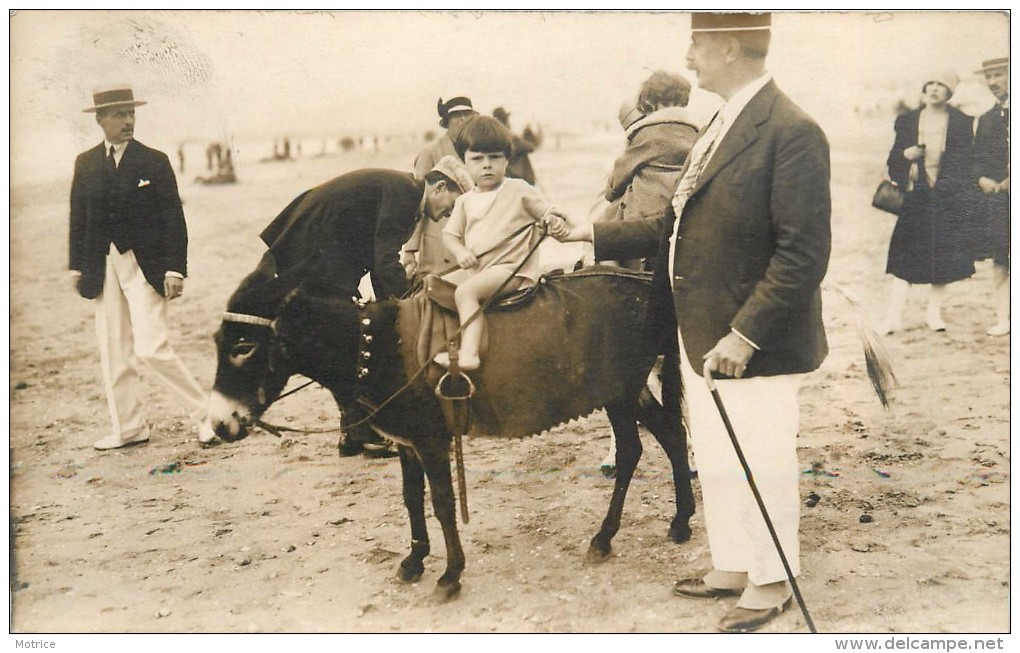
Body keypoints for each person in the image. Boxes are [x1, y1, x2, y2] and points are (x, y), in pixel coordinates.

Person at [549, 13, 831, 632]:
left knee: (761, 456)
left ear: (728, 46)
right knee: (720, 452)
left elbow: (803, 254)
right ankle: (734, 563)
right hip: (699, 329)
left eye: (697, 44)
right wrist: (590, 233)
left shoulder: (791, 130)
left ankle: (774, 578)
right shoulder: (717, 124)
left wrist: (746, 332)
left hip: (751, 340)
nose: (689, 56)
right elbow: (672, 225)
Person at [257, 157, 471, 457]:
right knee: (352, 341)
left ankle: (356, 435)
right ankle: (364, 435)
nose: (447, 215)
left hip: (318, 254)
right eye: (452, 205)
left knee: (349, 339)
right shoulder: (406, 194)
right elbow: (384, 261)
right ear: (439, 187)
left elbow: (377, 260)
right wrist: (408, 302)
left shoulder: (403, 190)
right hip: (310, 254)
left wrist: (394, 303)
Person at [69, 86, 209, 451]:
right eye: (118, 114)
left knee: (152, 348)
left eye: (131, 113)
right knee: (114, 350)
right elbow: (78, 217)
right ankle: (129, 428)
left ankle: (207, 415)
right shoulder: (85, 163)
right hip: (103, 264)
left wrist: (176, 269)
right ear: (100, 120)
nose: (128, 120)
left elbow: (173, 219)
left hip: (147, 265)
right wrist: (77, 267)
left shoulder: (154, 161)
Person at [432, 116, 555, 372]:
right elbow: (450, 235)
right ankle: (444, 343)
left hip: (511, 269)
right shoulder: (466, 200)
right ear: (464, 162)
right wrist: (461, 251)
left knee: (465, 293)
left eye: (495, 157)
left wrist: (556, 223)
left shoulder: (518, 189)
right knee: (434, 285)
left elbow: (549, 214)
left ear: (507, 160)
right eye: (477, 159)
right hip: (481, 269)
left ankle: (469, 355)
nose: (486, 166)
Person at [878, 70, 975, 335]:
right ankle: (893, 317)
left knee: (942, 255)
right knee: (903, 257)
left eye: (941, 85)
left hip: (946, 197)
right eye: (930, 84)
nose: (934, 89)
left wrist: (953, 189)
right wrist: (905, 155)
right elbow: (893, 161)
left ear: (950, 92)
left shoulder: (962, 122)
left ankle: (934, 314)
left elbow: (966, 163)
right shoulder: (907, 120)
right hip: (916, 196)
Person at [598, 70, 700, 270]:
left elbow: (614, 186)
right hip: (682, 216)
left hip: (645, 223)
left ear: (651, 102)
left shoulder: (646, 132)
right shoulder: (696, 131)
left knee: (603, 231)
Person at [401, 96, 479, 280]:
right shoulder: (430, 152)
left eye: (467, 115)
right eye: (456, 116)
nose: (462, 120)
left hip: (468, 235)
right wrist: (410, 250)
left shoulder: (476, 153)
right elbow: (417, 199)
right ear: (447, 122)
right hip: (438, 237)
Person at [972, 57, 1010, 336]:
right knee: (1001, 258)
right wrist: (981, 177)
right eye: (989, 76)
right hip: (999, 200)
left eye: (1000, 74)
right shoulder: (986, 118)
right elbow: (976, 158)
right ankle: (1004, 318)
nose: (994, 82)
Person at [493, 106, 539, 185]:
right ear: (505, 121)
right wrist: (526, 134)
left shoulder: (495, 137)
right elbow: (531, 147)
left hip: (507, 179)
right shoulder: (509, 137)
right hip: (518, 180)